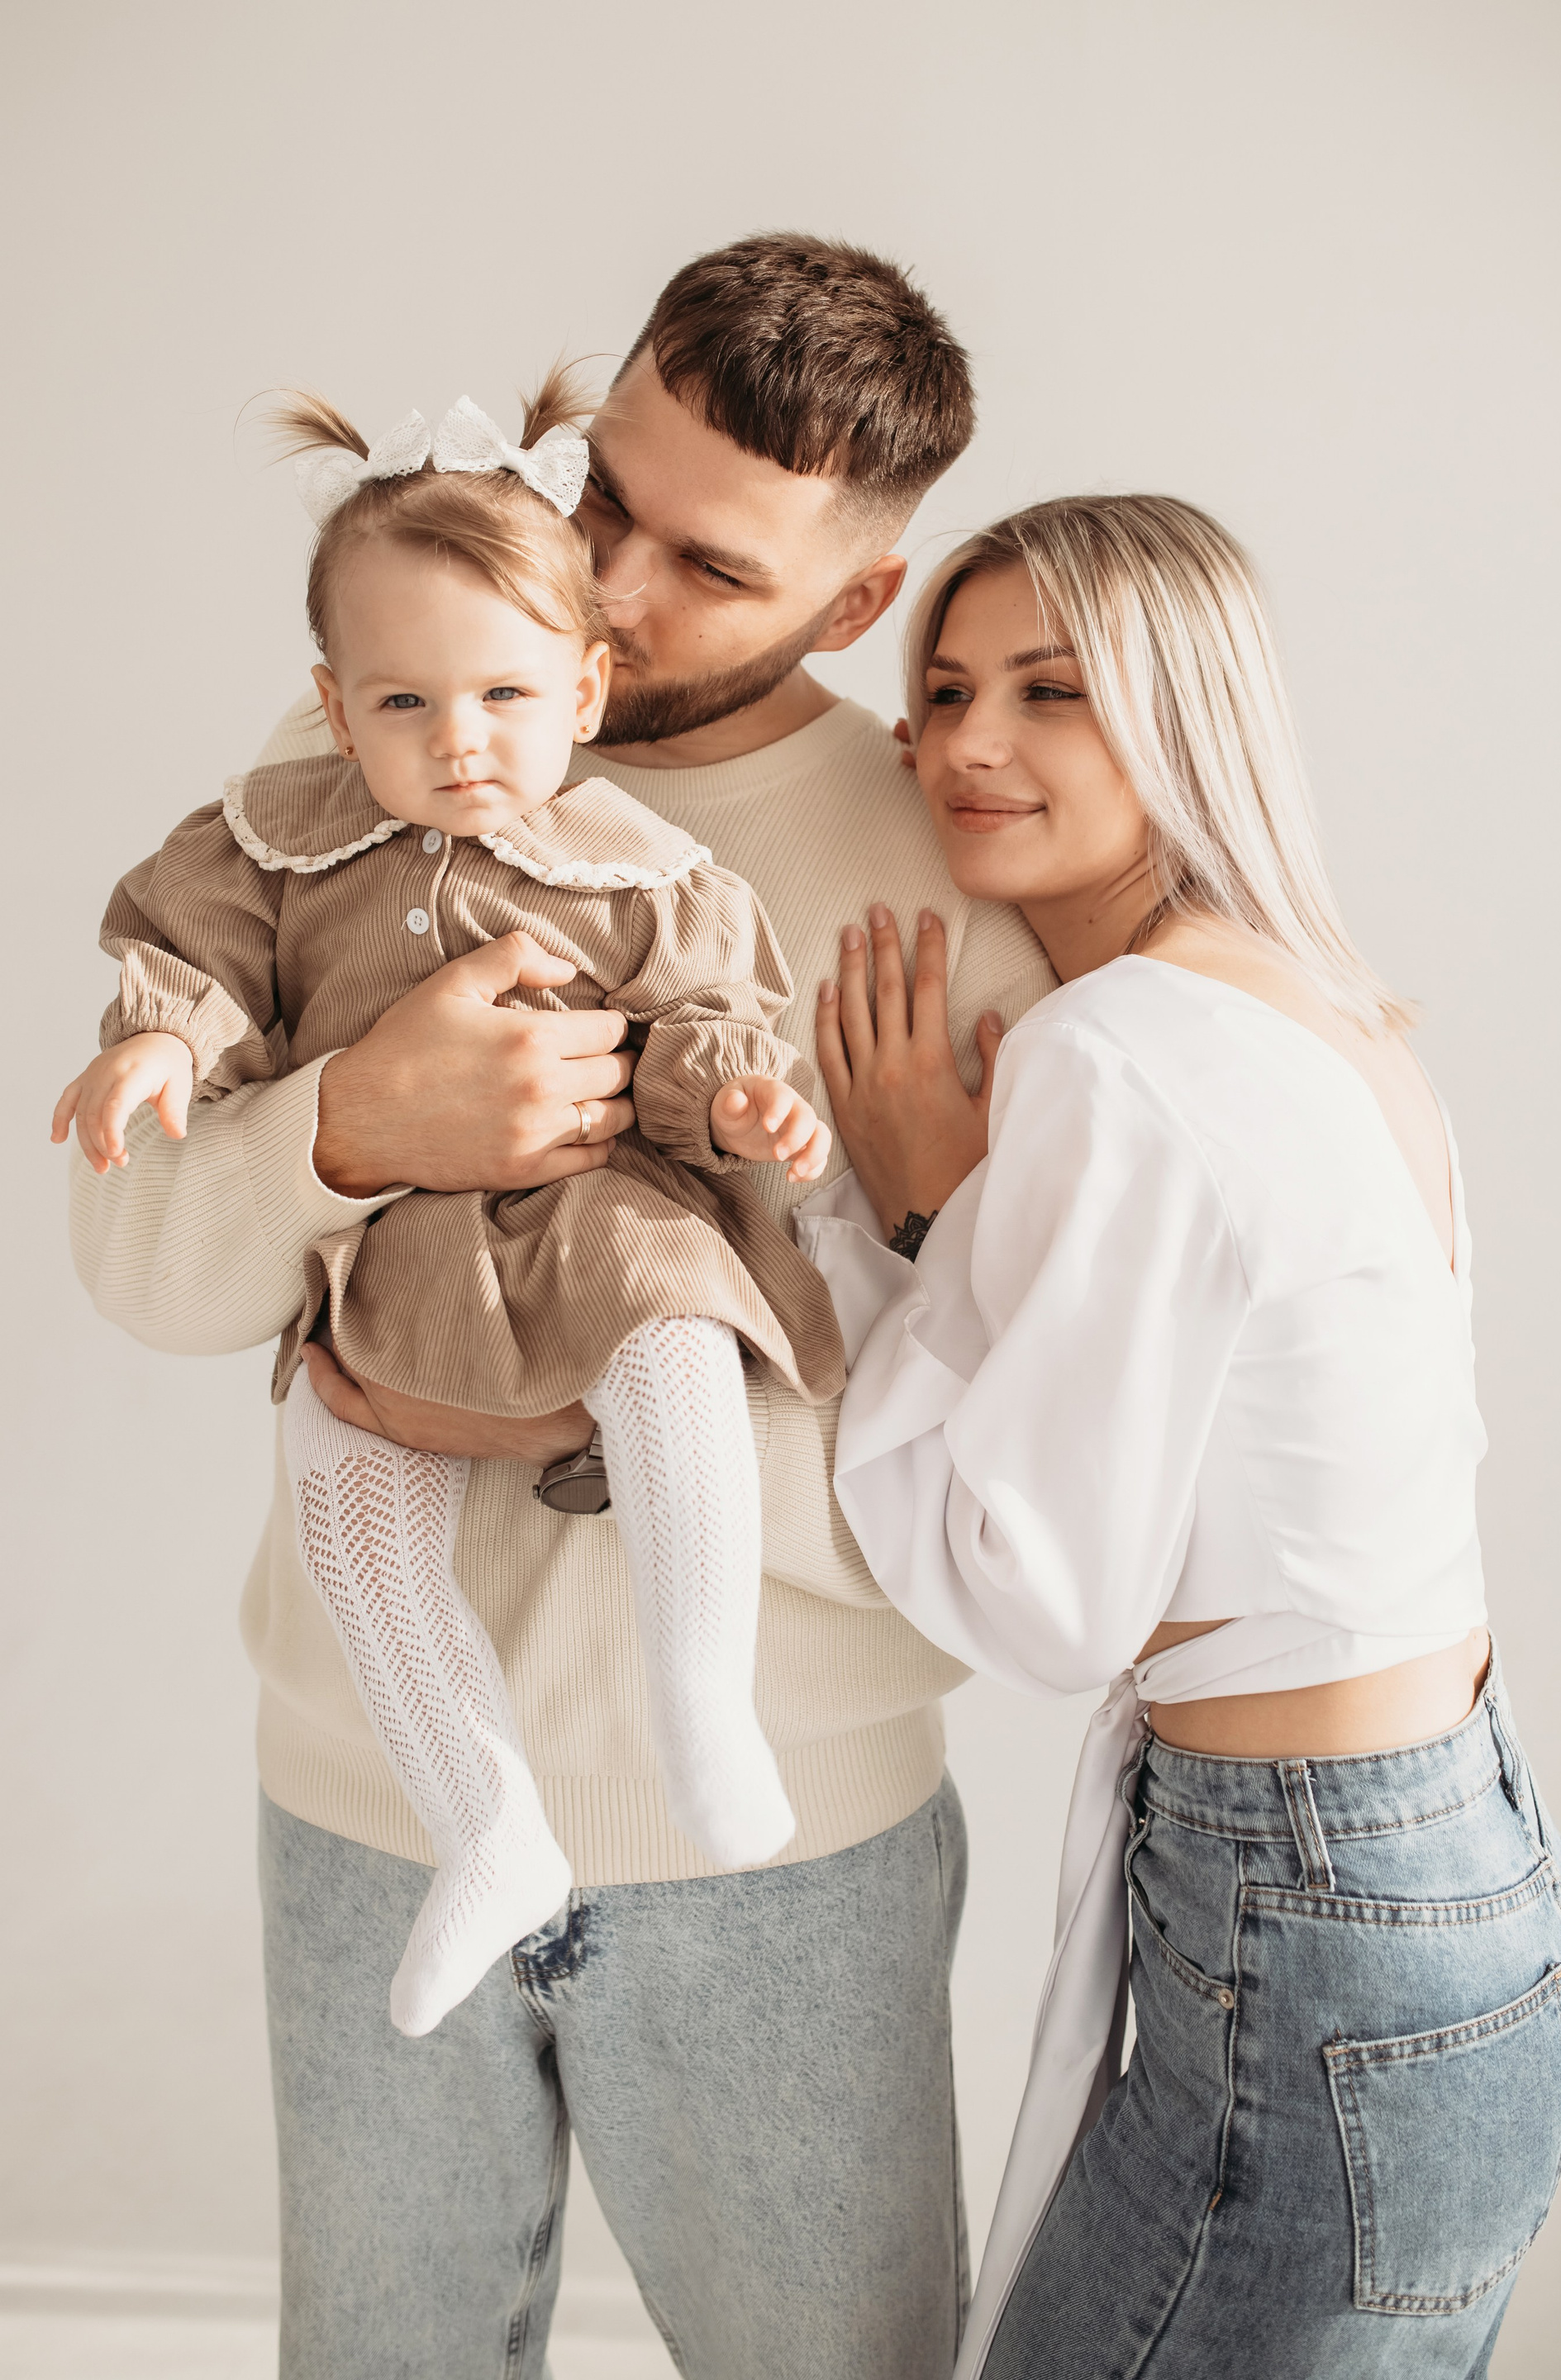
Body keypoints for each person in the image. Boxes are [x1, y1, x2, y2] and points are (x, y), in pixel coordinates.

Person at [67, 235, 1056, 2379]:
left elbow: (1029, 1463)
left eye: (709, 566)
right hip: (370, 1805)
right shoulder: (371, 752)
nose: (600, 583)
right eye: (606, 492)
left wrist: (657, 1374)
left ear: (856, 608)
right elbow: (131, 1268)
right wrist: (350, 1126)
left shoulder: (936, 880)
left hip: (784, 1838)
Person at [802, 494, 1561, 2378]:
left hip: (1317, 1901)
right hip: (1460, 1854)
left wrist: (914, 1222)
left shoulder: (1118, 1050)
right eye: (945, 690)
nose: (970, 743)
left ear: (1188, 713)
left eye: (1053, 691)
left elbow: (1050, 1600)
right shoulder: (1322, 1002)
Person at [55, 372, 846, 2039]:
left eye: (502, 694)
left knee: (678, 1348)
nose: (459, 738)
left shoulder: (642, 868)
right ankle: (486, 1823)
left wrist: (743, 1103)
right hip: (391, 1247)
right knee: (342, 1477)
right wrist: (158, 1048)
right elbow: (202, 962)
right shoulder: (278, 841)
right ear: (336, 711)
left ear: (585, 684)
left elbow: (704, 1025)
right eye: (404, 702)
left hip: (596, 1221)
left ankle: (701, 1695)